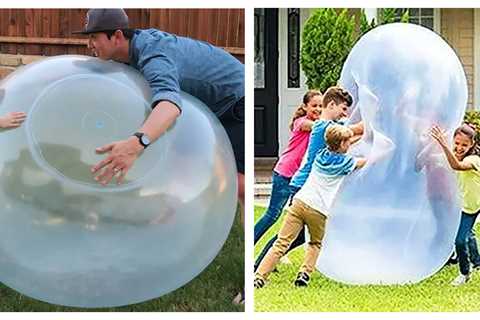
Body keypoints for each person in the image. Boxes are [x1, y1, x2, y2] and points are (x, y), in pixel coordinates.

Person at [74, 8, 245, 303]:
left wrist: (136, 143)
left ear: (117, 36)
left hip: (236, 102)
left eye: (94, 38)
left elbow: (169, 104)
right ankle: (163, 245)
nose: (90, 45)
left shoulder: (153, 54)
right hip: (203, 107)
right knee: (176, 172)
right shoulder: (130, 55)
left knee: (239, 187)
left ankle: (250, 279)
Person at [254, 86, 363, 271]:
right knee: (286, 231)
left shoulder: (327, 126)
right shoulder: (325, 126)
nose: (345, 114)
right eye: (343, 109)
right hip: (300, 183)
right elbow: (356, 129)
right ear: (332, 104)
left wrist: (362, 135)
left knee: (294, 234)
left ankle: (261, 264)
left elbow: (348, 140)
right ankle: (259, 266)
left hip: (302, 182)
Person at [254, 90, 322, 244]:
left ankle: (270, 255)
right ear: (305, 107)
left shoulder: (319, 125)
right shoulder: (302, 122)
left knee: (293, 223)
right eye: (314, 105)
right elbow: (318, 126)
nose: (318, 109)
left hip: (299, 178)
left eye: (321, 106)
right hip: (285, 173)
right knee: (272, 215)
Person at [431, 123, 480, 286]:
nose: (459, 148)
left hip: (472, 207)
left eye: (464, 145)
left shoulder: (474, 159)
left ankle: (464, 273)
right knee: (468, 233)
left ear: (472, 144)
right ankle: (477, 262)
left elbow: (456, 166)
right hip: (461, 204)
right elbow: (434, 160)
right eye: (456, 143)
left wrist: (444, 145)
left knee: (459, 240)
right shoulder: (455, 154)